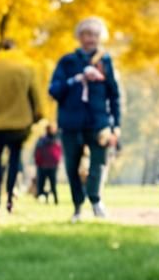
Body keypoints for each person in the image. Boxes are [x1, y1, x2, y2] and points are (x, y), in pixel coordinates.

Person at [49, 17, 121, 223]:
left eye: (95, 35)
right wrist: (75, 80)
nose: (91, 39)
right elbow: (54, 90)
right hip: (70, 123)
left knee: (99, 163)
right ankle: (77, 206)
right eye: (87, 34)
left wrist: (116, 125)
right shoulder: (67, 62)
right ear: (79, 37)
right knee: (72, 166)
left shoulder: (106, 62)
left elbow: (114, 95)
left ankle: (96, 200)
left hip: (98, 122)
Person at [0, 39, 43, 215]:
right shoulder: (25, 68)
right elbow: (35, 96)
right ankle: (9, 200)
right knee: (14, 159)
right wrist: (38, 115)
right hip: (20, 122)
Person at [33, 123, 62, 204]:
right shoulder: (42, 140)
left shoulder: (56, 140)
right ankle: (45, 197)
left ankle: (55, 199)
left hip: (52, 166)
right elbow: (37, 153)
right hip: (43, 166)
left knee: (53, 185)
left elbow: (59, 153)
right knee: (41, 186)